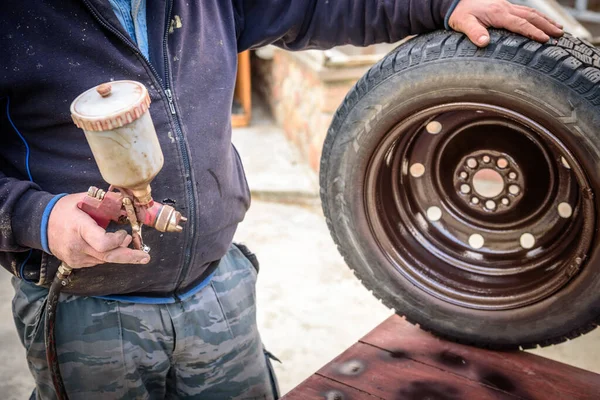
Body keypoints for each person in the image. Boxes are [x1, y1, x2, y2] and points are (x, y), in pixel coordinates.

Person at [0, 0, 562, 398]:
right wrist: (39, 218)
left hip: (217, 289)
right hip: (85, 312)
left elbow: (317, 6)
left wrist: (444, 3)